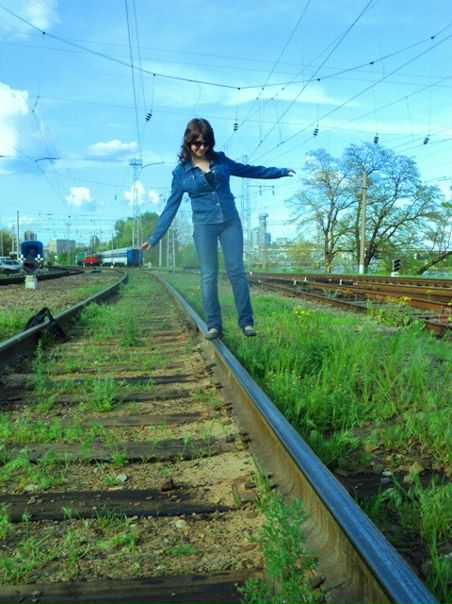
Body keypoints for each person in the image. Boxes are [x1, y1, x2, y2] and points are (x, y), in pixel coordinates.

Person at [141, 118, 295, 340]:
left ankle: (246, 322)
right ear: (188, 143)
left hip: (230, 222)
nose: (202, 147)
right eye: (197, 143)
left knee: (236, 271)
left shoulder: (220, 160)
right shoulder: (181, 173)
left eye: (206, 143)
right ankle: (214, 325)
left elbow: (249, 170)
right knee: (208, 275)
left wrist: (279, 171)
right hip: (204, 226)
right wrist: (155, 237)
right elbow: (171, 207)